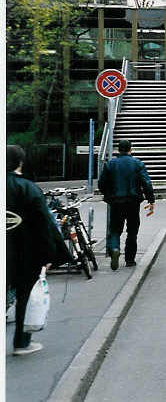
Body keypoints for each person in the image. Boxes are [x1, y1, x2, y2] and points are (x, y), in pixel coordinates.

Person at [6, 145, 71, 356]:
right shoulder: (29, 188)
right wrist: (48, 254)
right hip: (24, 253)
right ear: (20, 162)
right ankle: (21, 342)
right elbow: (44, 225)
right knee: (24, 296)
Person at [98, 140, 155, 270]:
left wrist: (109, 195)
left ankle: (115, 248)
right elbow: (146, 182)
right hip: (133, 202)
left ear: (118, 150)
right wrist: (150, 199)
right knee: (132, 231)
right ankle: (130, 260)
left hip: (116, 202)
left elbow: (102, 184)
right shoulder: (137, 164)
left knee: (115, 229)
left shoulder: (110, 164)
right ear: (131, 149)